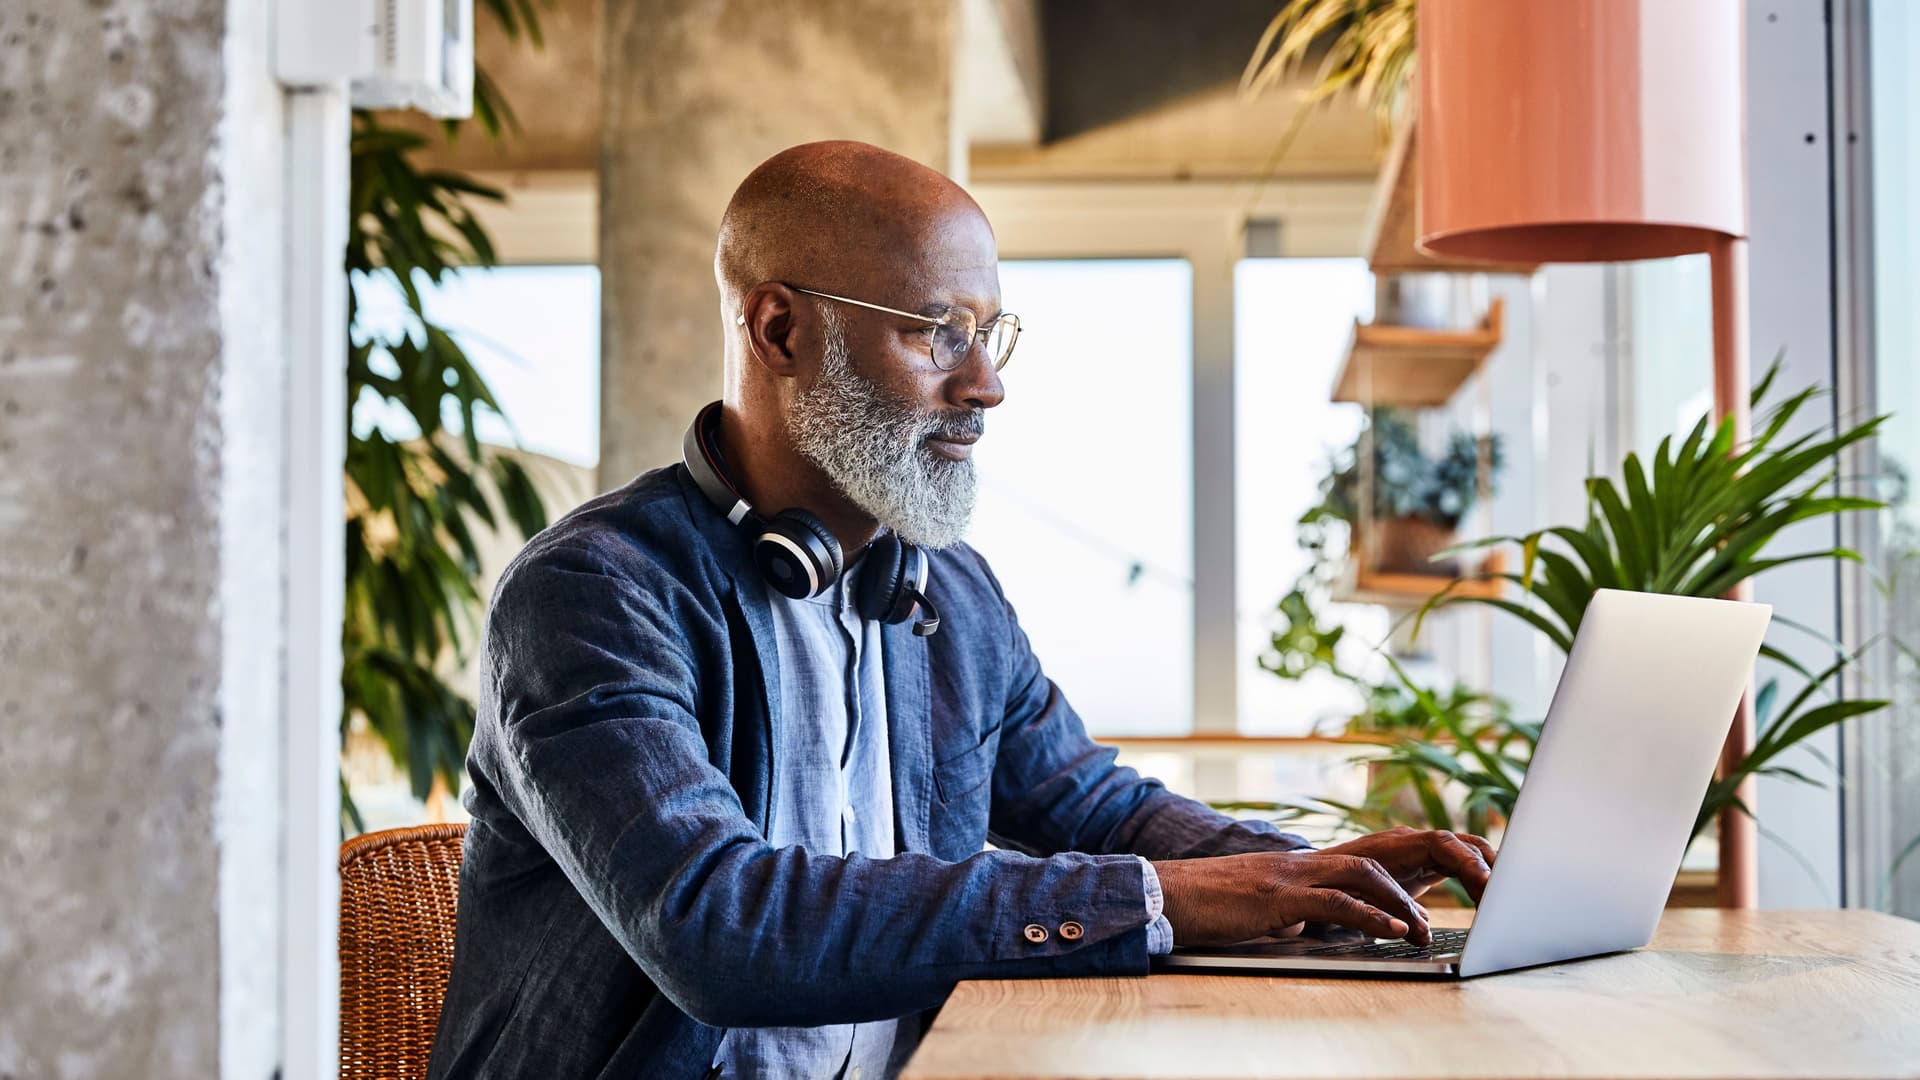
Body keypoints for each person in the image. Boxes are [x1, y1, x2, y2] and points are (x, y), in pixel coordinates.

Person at [424, 140, 1496, 1080]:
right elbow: (716, 924)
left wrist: (1307, 876)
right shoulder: (593, 595)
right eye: (936, 331)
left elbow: (1097, 808)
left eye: (990, 333)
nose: (985, 385)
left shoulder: (949, 590)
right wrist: (1168, 897)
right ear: (779, 329)